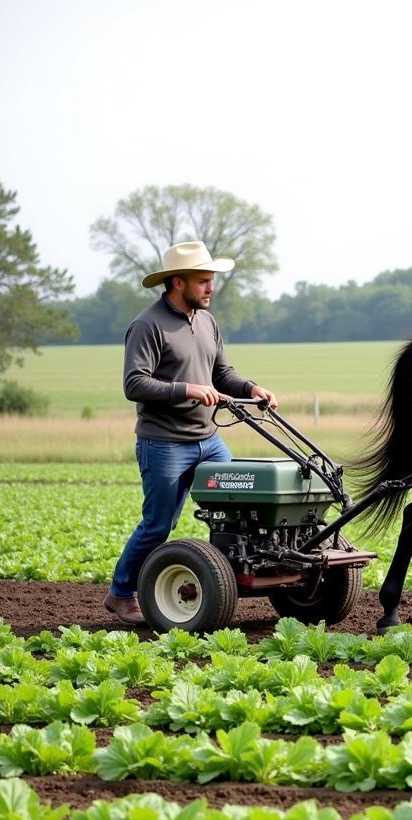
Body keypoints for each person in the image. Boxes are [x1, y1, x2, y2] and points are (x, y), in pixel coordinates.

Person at [103, 240, 278, 626]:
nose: (211, 288)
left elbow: (221, 374)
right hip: (164, 443)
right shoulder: (148, 325)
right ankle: (120, 594)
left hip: (208, 439)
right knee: (159, 524)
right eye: (203, 281)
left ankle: (226, 578)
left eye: (212, 280)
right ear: (177, 282)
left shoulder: (207, 322)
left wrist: (250, 389)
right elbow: (134, 383)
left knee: (239, 506)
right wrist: (186, 389)